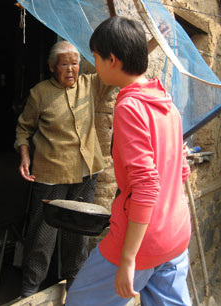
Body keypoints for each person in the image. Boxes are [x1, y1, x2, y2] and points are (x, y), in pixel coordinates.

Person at [65, 16, 192, 306]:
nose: (93, 64)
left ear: (111, 60)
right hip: (175, 234)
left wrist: (128, 258)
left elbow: (146, 186)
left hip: (143, 240)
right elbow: (180, 171)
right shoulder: (166, 103)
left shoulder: (130, 107)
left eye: (95, 57)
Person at [14, 40, 115, 297]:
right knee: (42, 233)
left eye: (75, 63)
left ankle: (74, 285)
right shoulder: (40, 93)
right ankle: (30, 288)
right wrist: (24, 155)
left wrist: (151, 43)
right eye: (64, 64)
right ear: (52, 67)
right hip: (50, 173)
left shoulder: (90, 85)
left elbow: (121, 67)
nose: (71, 69)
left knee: (78, 232)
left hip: (85, 173)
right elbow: (24, 128)